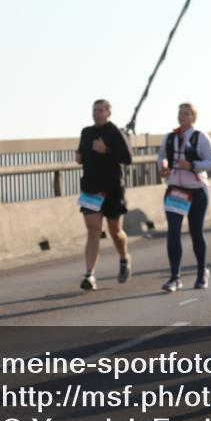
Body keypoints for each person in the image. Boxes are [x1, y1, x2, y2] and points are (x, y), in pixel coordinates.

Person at [158, 102, 211, 292]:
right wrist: (163, 167)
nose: (181, 116)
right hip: (175, 190)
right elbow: (160, 156)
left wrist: (192, 165)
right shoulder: (170, 137)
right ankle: (175, 277)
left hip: (196, 190)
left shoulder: (200, 137)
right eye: (180, 113)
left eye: (186, 113)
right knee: (173, 232)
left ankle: (202, 272)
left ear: (193, 117)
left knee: (196, 232)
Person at [75, 99, 134, 291]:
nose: (96, 113)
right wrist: (79, 157)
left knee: (115, 231)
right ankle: (89, 275)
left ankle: (124, 258)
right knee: (93, 231)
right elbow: (82, 154)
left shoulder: (115, 132)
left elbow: (128, 158)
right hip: (91, 188)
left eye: (100, 110)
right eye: (94, 110)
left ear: (109, 113)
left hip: (112, 189)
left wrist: (106, 150)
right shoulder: (86, 132)